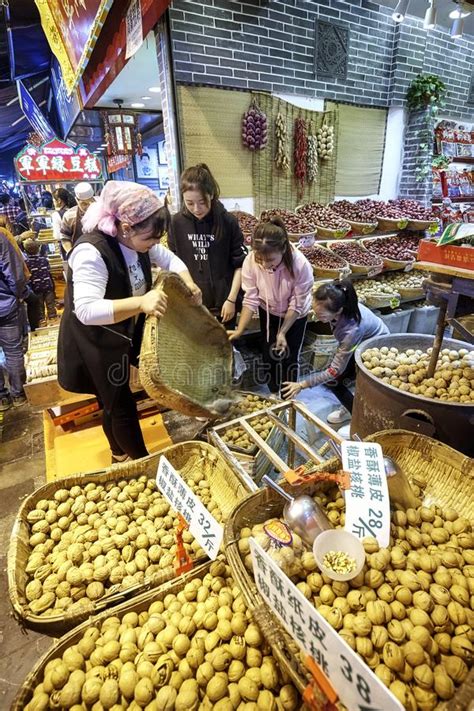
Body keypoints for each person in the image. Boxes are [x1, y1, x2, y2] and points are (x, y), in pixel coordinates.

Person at [57, 181, 202, 463]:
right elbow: (85, 310)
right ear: (125, 227)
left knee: (113, 402)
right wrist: (141, 302)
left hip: (121, 330)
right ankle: (143, 464)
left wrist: (189, 283)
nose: (153, 245)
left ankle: (118, 455)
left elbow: (170, 259)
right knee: (118, 402)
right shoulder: (92, 252)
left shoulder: (140, 241)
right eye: (150, 238)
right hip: (94, 340)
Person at [282, 279, 389, 424]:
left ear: (339, 311)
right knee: (335, 378)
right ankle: (352, 405)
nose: (318, 319)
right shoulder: (343, 301)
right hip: (359, 342)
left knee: (335, 381)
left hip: (374, 349)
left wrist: (302, 385)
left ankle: (357, 419)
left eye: (322, 316)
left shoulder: (351, 330)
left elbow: (335, 370)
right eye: (316, 312)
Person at [229, 218, 313, 394]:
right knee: (269, 354)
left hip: (295, 316)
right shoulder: (251, 260)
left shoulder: (300, 264)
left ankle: (289, 397)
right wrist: (240, 329)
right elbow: (250, 298)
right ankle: (274, 393)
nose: (265, 265)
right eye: (260, 259)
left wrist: (282, 332)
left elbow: (297, 303)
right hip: (268, 311)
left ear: (283, 249)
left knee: (289, 357)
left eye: (270, 260)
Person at [169, 164, 246, 328]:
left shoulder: (227, 222)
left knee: (224, 347)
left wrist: (231, 299)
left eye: (202, 202)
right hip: (192, 303)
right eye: (189, 203)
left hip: (224, 303)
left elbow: (239, 264)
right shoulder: (176, 223)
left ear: (211, 194)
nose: (196, 209)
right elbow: (174, 261)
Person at [0, 231, 27, 409]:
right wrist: (20, 294)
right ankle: (18, 394)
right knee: (13, 351)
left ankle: (1, 398)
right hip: (5, 305)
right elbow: (13, 271)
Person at [23, 239, 57, 325]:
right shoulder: (44, 260)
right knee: (50, 303)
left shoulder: (26, 262)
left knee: (39, 305)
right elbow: (49, 271)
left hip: (36, 287)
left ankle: (42, 320)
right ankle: (53, 318)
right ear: (38, 249)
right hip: (47, 285)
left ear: (25, 251)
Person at [60, 182, 95, 254]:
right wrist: (71, 254)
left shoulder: (103, 210)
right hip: (80, 254)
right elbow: (65, 238)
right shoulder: (69, 216)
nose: (88, 206)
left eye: (91, 202)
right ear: (77, 200)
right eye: (84, 204)